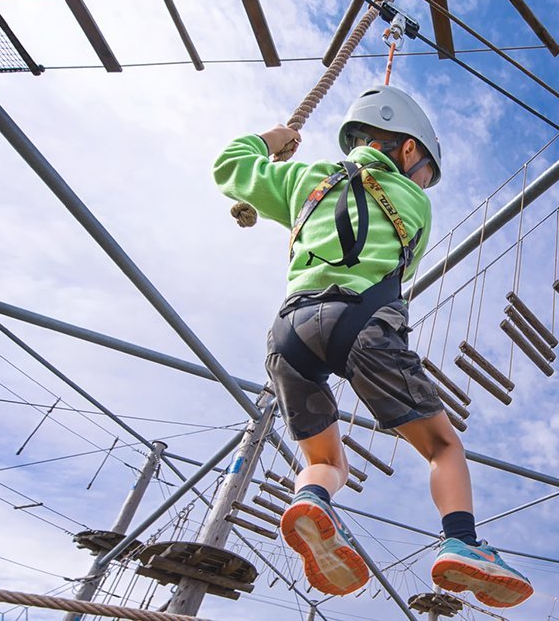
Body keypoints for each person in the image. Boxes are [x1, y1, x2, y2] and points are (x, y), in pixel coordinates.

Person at [213, 86, 533, 608]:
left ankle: (312, 501)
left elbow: (229, 165)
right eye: (426, 167)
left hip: (289, 334)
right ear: (408, 150)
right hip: (362, 327)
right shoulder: (416, 204)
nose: (426, 180)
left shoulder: (302, 179)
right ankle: (462, 542)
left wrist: (275, 139)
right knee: (442, 446)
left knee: (325, 459)